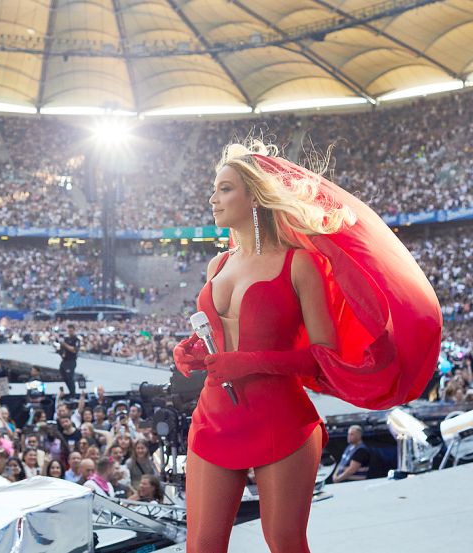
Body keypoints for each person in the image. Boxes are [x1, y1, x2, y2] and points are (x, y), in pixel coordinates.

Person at [172, 141, 441, 553]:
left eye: (225, 188)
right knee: (202, 546)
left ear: (256, 196)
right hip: (214, 419)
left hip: (281, 420)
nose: (213, 198)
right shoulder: (217, 265)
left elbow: (322, 356)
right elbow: (217, 334)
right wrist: (190, 348)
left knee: (285, 544)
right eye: (215, 189)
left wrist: (250, 363)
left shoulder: (301, 264)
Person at [57, 324, 81, 396]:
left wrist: (65, 345)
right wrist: (61, 352)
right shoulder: (66, 339)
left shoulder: (76, 340)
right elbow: (61, 349)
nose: (70, 332)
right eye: (69, 330)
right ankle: (70, 391)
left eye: (71, 331)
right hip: (64, 360)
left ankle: (73, 393)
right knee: (63, 375)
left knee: (70, 377)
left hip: (71, 361)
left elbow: (74, 350)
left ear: (74, 330)